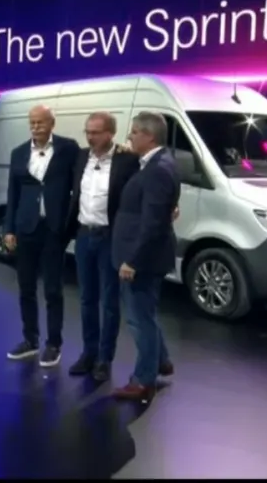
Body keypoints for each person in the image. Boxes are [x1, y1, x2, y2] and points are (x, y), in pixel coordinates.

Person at [3, 105, 80, 367]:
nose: (36, 127)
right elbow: (12, 193)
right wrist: (9, 229)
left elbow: (85, 171)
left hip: (53, 229)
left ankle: (54, 343)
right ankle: (30, 340)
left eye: (41, 122)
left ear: (52, 124)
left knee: (53, 290)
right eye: (32, 122)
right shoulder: (18, 153)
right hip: (26, 228)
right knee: (26, 287)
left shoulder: (68, 149)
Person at [65, 112, 140, 383]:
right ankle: (89, 353)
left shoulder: (127, 160)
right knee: (87, 298)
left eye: (95, 132)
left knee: (109, 301)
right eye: (87, 131)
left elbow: (144, 189)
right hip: (85, 235)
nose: (89, 137)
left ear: (110, 134)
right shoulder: (80, 157)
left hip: (110, 238)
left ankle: (105, 359)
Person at [111, 112, 179, 401]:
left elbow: (152, 223)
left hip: (143, 260)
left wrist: (133, 260)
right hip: (147, 255)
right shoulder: (160, 162)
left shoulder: (157, 170)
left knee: (139, 320)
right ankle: (161, 361)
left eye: (135, 132)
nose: (129, 136)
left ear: (149, 136)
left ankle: (143, 380)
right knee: (146, 314)